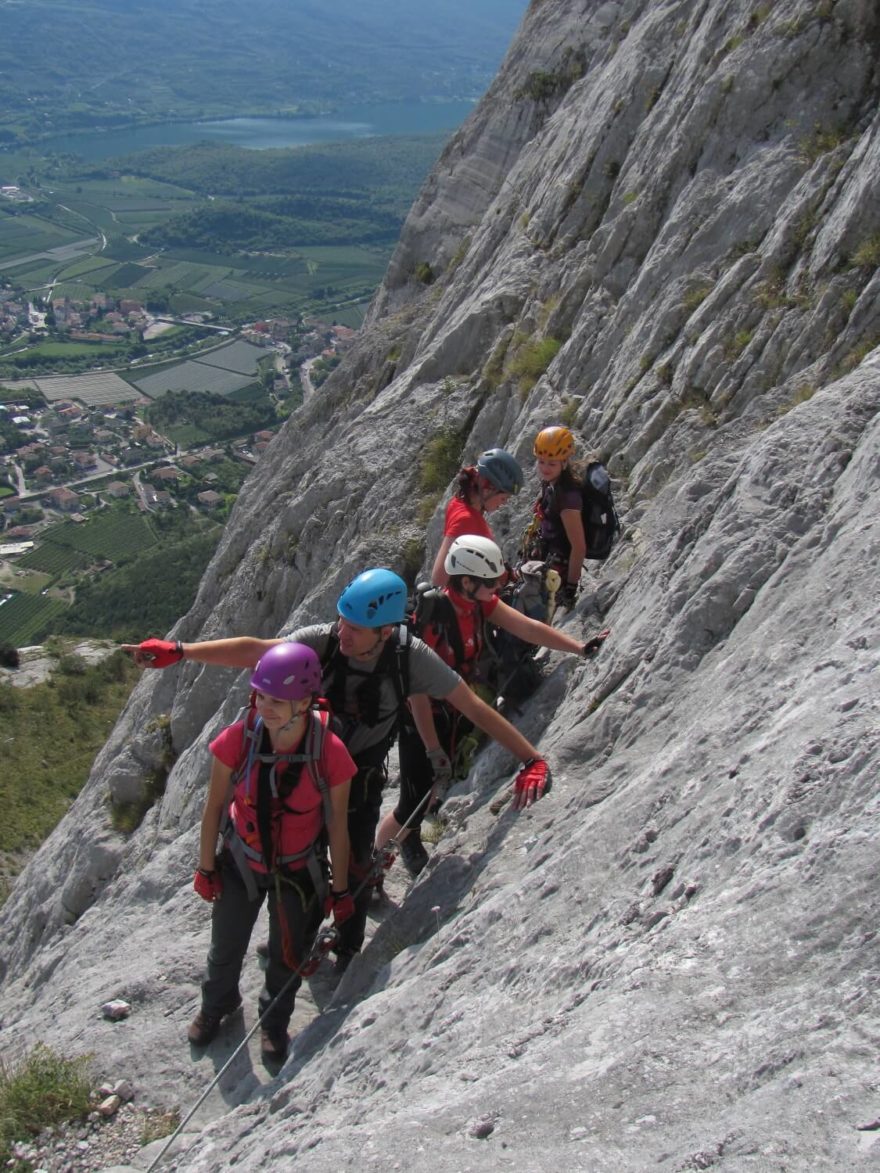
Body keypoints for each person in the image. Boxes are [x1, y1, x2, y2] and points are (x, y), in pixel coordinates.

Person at [124, 568, 551, 976]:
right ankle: (300, 941)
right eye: (341, 621)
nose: (342, 632)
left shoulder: (410, 658)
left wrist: (531, 758)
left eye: (354, 628)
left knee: (357, 867)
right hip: (305, 773)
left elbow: (471, 705)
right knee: (301, 865)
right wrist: (181, 652)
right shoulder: (325, 640)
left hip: (359, 779)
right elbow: (257, 650)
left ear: (385, 631)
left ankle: (348, 947)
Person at [378, 535, 608, 876]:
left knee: (428, 790)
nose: (496, 589)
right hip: (419, 717)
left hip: (453, 708)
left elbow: (528, 628)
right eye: (489, 584)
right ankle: (374, 867)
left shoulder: (479, 603)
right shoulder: (431, 621)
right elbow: (417, 694)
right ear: (467, 582)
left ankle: (409, 838)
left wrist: (578, 647)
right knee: (411, 801)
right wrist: (431, 748)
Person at [187, 642, 356, 1060]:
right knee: (225, 946)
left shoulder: (329, 753)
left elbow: (337, 824)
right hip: (241, 861)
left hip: (298, 871)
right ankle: (217, 1004)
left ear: (304, 701)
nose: (266, 706)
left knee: (286, 955)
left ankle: (274, 1022)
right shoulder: (239, 738)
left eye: (278, 699)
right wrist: (206, 868)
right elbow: (213, 810)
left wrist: (340, 888)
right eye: (261, 695)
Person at [431, 448, 524, 586]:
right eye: (503, 497)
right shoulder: (467, 520)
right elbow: (439, 579)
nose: (503, 503)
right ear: (488, 488)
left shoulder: (458, 502)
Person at [523, 425, 587, 609]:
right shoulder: (552, 484)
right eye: (541, 461)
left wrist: (570, 588)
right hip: (546, 557)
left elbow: (579, 547)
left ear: (564, 463)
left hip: (557, 571)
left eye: (552, 463)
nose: (545, 468)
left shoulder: (568, 498)